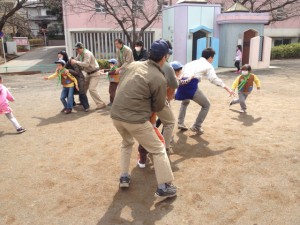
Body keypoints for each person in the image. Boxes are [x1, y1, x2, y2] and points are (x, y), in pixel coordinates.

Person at [111, 39, 177, 200]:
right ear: (164, 58)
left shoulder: (133, 65)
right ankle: (164, 187)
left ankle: (124, 177)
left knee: (126, 143)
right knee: (158, 149)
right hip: (135, 119)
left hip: (116, 115)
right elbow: (159, 105)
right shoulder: (159, 77)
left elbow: (123, 85)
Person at [137, 40, 178, 168]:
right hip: (157, 99)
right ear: (165, 55)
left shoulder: (141, 63)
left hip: (140, 100)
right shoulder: (167, 66)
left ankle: (143, 158)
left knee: (148, 127)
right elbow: (174, 85)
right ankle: (163, 149)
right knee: (169, 122)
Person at [177, 48, 235, 134]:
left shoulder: (191, 62)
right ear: (210, 57)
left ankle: (180, 123)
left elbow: (181, 73)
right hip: (191, 85)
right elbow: (213, 79)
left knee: (185, 102)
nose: (213, 60)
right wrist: (226, 87)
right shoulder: (208, 65)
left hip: (181, 84)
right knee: (206, 105)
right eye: (213, 58)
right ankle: (196, 126)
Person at [70, 42, 106, 110]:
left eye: (78, 49)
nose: (77, 50)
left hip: (95, 73)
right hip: (88, 73)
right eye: (76, 49)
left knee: (92, 89)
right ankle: (82, 101)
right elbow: (76, 60)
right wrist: (72, 60)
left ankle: (101, 104)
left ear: (82, 48)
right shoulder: (80, 53)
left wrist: (76, 62)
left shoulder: (87, 53)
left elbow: (86, 64)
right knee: (82, 87)